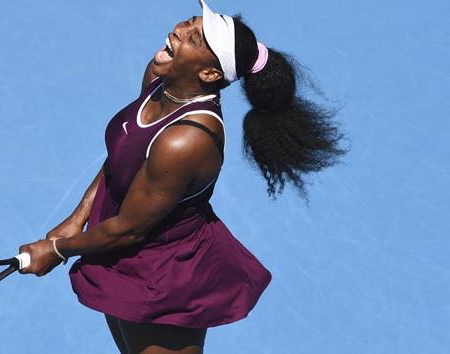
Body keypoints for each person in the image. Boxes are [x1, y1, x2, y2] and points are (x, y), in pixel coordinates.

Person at [19, 1, 348, 353]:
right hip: (114, 245)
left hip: (164, 275)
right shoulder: (159, 78)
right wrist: (77, 218)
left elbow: (130, 228)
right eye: (190, 22)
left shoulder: (187, 140)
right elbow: (121, 158)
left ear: (208, 74)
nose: (180, 29)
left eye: (195, 37)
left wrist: (56, 249)